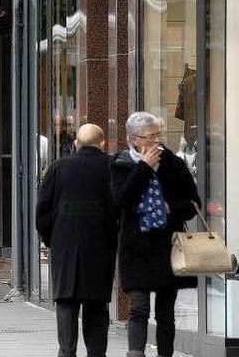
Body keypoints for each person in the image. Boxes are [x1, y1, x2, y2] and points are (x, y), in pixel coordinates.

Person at [111, 112, 201, 357]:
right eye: (150, 136)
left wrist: (171, 207)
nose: (156, 141)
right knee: (138, 308)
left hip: (167, 247)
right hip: (136, 247)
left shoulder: (173, 163)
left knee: (165, 313)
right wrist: (143, 167)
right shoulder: (120, 164)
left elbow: (194, 204)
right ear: (133, 139)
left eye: (158, 135)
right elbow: (121, 200)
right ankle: (136, 353)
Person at [35, 124, 119, 357]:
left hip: (65, 247)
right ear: (102, 143)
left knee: (66, 303)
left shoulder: (58, 168)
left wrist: (51, 238)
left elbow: (42, 210)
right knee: (97, 305)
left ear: (75, 143)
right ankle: (96, 353)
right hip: (100, 247)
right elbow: (119, 206)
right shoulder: (111, 167)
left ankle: (67, 351)